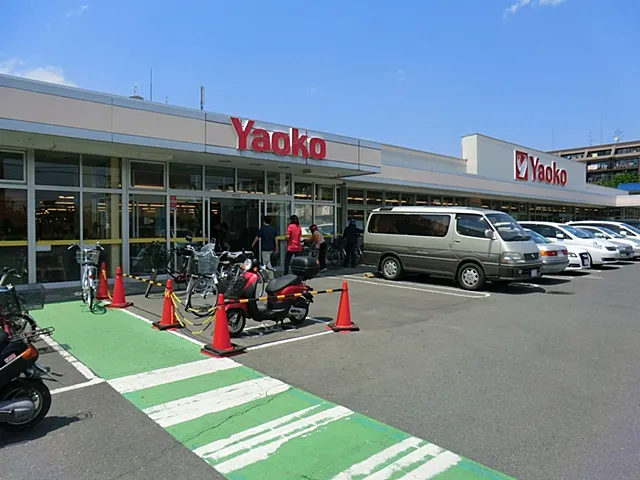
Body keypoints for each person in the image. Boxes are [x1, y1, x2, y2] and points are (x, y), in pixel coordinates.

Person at [252, 216, 278, 280]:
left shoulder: (263, 228)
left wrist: (253, 243)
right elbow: (276, 238)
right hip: (271, 248)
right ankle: (265, 277)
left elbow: (257, 237)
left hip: (265, 249)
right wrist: (277, 246)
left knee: (267, 263)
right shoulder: (273, 229)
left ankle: (271, 277)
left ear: (264, 222)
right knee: (266, 262)